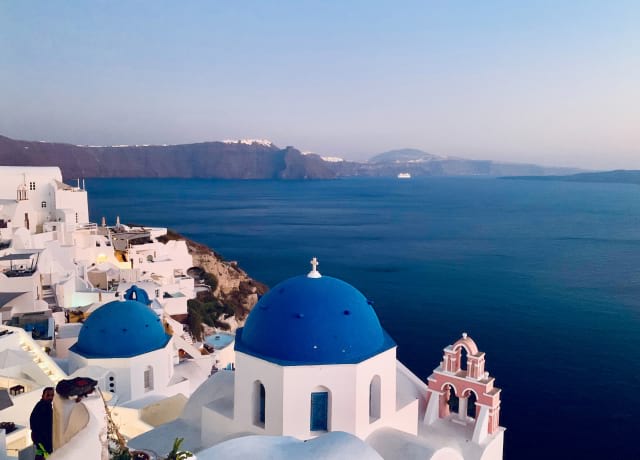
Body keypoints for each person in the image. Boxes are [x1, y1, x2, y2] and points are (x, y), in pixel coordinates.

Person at [29, 387, 54, 460]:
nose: (50, 397)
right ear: (43, 396)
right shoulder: (42, 406)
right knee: (45, 456)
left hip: (40, 439)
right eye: (48, 395)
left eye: (52, 395)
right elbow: (33, 422)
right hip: (42, 440)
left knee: (40, 455)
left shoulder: (46, 405)